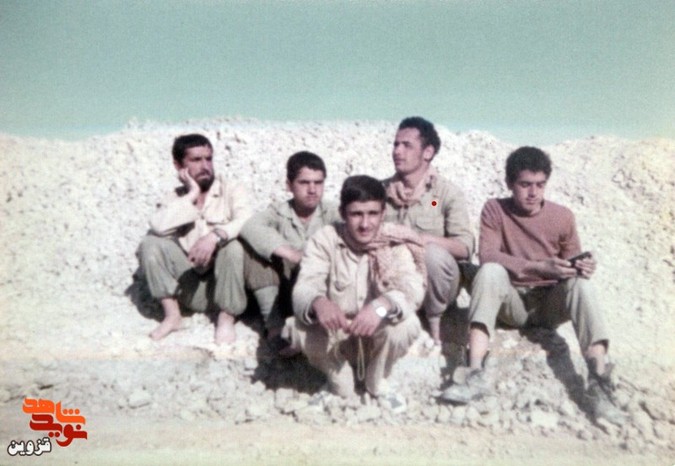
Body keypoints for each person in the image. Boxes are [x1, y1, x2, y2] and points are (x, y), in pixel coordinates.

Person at [441, 146, 626, 425]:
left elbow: (570, 264)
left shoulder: (562, 216)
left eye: (540, 185)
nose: (533, 192)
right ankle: (474, 372)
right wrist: (538, 267)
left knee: (582, 286)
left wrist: (581, 266)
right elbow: (488, 255)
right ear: (509, 183)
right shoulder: (495, 209)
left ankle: (599, 382)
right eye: (525, 184)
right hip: (511, 304)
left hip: (549, 306)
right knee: (489, 272)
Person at [290, 175, 425, 412]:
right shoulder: (325, 239)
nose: (365, 224)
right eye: (356, 214)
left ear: (383, 214)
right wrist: (319, 302)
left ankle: (377, 382)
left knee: (408, 324)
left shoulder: (394, 242)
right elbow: (305, 285)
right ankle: (338, 384)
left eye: (372, 214)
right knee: (296, 326)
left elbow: (412, 288)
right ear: (343, 213)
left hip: (376, 335)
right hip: (338, 335)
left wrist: (381, 305)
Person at [136, 133, 252, 344]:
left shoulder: (231, 189)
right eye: (196, 160)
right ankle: (173, 316)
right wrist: (191, 194)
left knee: (233, 247)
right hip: (191, 288)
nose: (205, 166)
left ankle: (226, 319)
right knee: (150, 243)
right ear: (178, 165)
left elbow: (246, 220)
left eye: (208, 158)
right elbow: (158, 227)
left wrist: (215, 236)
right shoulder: (175, 198)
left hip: (226, 286)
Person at [382, 116, 474, 345]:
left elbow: (465, 247)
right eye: (395, 144)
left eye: (407, 145)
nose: (397, 151)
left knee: (431, 253)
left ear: (428, 152)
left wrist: (422, 239)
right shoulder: (381, 192)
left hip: (437, 286)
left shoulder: (441, 196)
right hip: (394, 280)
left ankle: (435, 319)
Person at [238, 151, 340, 347]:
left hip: (320, 290)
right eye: (304, 183)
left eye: (318, 183)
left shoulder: (332, 212)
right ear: (289, 185)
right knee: (255, 251)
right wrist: (291, 254)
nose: (312, 190)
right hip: (282, 292)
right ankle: (274, 327)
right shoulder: (279, 211)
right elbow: (250, 227)